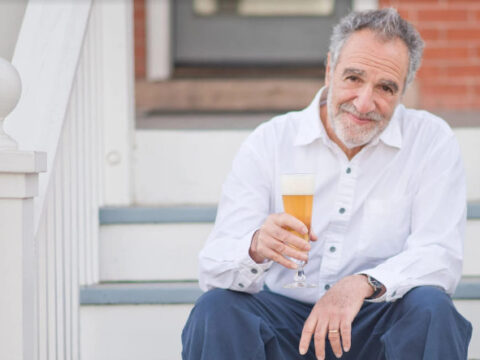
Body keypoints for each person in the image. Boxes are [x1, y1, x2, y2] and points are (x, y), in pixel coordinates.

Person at [182, 8, 472, 360]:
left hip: (374, 321)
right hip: (285, 322)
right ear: (330, 68)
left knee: (431, 307)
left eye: (385, 87)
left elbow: (439, 256)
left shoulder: (430, 141)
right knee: (217, 309)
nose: (364, 103)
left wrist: (363, 284)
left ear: (403, 91)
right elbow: (213, 267)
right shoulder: (271, 141)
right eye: (353, 78)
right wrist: (255, 246)